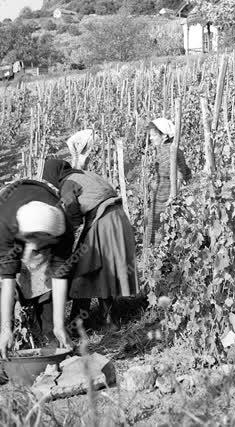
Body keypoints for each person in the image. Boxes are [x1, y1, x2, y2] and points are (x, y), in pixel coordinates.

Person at [0, 178, 78, 360]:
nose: (32, 252)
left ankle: (51, 344)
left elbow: (59, 274)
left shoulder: (63, 229)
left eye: (39, 247)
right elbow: (7, 278)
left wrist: (60, 325)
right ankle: (1, 358)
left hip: (43, 206)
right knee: (2, 292)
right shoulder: (5, 226)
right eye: (31, 245)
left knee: (46, 285)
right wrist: (6, 330)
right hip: (5, 205)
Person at [42, 130, 138, 335]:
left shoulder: (67, 184)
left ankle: (82, 324)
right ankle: (102, 320)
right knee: (100, 269)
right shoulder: (83, 174)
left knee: (84, 269)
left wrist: (65, 232)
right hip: (118, 218)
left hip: (103, 221)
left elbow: (72, 212)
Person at [145, 118, 191, 245]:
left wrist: (172, 198)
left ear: (164, 136)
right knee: (158, 228)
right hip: (161, 194)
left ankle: (161, 257)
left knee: (164, 230)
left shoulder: (170, 151)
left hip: (167, 196)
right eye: (151, 135)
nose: (151, 138)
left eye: (154, 135)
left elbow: (180, 176)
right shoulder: (164, 149)